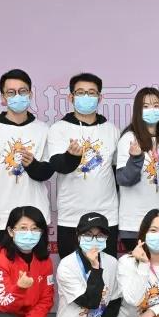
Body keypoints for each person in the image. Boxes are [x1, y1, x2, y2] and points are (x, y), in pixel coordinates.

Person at [44, 72, 120, 258]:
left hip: (107, 216)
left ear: (99, 98)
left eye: (92, 93)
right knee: (72, 270)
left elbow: (117, 172)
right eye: (80, 92)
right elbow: (58, 166)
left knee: (106, 270)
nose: (86, 97)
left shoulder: (112, 130)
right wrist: (71, 156)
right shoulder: (59, 129)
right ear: (71, 97)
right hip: (71, 217)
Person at [0, 68, 53, 248]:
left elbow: (47, 172)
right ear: (3, 97)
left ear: (30, 94)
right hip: (2, 215)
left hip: (36, 214)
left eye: (22, 91)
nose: (17, 96)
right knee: (3, 263)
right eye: (11, 92)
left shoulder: (43, 129)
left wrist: (32, 165)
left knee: (37, 265)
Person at [115, 87, 159, 252]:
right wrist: (135, 158)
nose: (151, 110)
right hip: (135, 223)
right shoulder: (129, 138)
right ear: (138, 111)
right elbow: (124, 179)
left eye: (156, 105)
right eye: (145, 106)